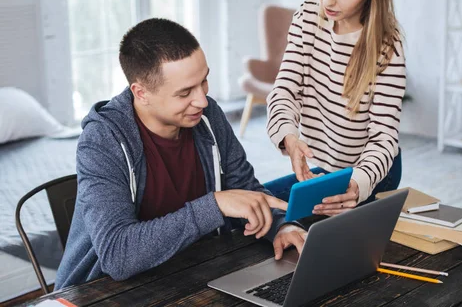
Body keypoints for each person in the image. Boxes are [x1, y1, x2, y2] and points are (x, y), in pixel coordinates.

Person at [55, 18, 306, 289]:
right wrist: (215, 204)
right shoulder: (103, 141)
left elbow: (245, 189)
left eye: (204, 80)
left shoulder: (208, 116)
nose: (201, 99)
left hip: (190, 274)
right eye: (185, 92)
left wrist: (282, 226)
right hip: (102, 292)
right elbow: (118, 255)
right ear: (142, 93)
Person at [265, 0, 406, 216]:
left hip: (369, 173)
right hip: (327, 168)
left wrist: (357, 185)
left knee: (294, 225)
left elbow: (383, 137)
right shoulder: (307, 15)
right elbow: (285, 90)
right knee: (257, 205)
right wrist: (289, 138)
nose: (328, 0)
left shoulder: (387, 43)